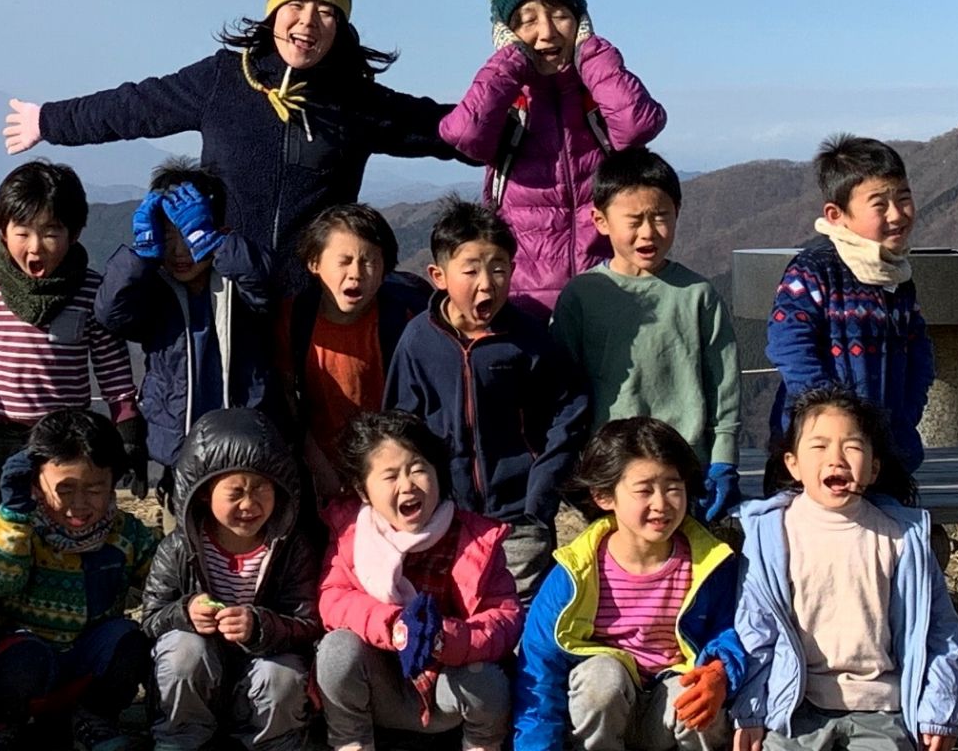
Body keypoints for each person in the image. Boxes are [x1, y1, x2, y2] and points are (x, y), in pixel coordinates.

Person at [2, 0, 462, 265]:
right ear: (274, 13)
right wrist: (50, 120)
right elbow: (137, 105)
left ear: (340, 29)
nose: (308, 22)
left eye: (326, 13)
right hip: (228, 285)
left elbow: (443, 128)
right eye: (296, 5)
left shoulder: (354, 100)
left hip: (316, 302)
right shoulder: (225, 79)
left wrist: (514, 127)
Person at [733, 387, 958, 751]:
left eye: (853, 446)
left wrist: (941, 710)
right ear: (792, 464)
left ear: (874, 468)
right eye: (819, 445)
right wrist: (751, 712)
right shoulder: (771, 537)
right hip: (797, 706)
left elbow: (939, 631)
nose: (837, 458)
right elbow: (756, 632)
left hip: (882, 708)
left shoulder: (900, 538)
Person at [383, 199, 590, 598]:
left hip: (519, 518)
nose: (487, 283)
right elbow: (400, 427)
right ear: (438, 275)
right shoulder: (418, 341)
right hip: (444, 517)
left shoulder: (528, 340)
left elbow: (569, 411)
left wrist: (539, 495)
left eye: (499, 269)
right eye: (472, 269)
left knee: (518, 615)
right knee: (457, 615)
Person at [438, 0, 666, 319]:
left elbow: (637, 126)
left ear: (580, 22)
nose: (546, 32)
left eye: (560, 16)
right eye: (527, 21)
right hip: (525, 304)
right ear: (507, 35)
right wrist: (511, 61)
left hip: (608, 293)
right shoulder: (510, 101)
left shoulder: (596, 91)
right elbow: (466, 134)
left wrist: (590, 51)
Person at [514, 418, 746, 751]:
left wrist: (720, 674)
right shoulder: (576, 572)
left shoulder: (709, 564)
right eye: (644, 490)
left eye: (672, 487)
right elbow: (539, 673)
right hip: (603, 717)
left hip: (668, 709)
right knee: (600, 679)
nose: (661, 503)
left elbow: (732, 630)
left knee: (694, 692)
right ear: (604, 496)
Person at [0, 160, 142, 534]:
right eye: (22, 232)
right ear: (2, 231)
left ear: (75, 232)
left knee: (63, 535)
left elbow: (112, 368)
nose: (35, 247)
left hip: (66, 445)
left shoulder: (90, 289)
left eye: (51, 232)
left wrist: (128, 437)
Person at [552, 149, 742, 523]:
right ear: (600, 220)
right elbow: (562, 393)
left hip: (685, 471)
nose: (648, 232)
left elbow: (725, 387)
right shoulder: (582, 295)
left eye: (660, 217)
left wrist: (723, 459)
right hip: (610, 475)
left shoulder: (697, 295)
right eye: (634, 220)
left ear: (678, 212)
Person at [314, 410, 522, 751]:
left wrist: (445, 637)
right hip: (381, 688)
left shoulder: (475, 539)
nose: (408, 485)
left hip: (448, 691)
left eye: (418, 469)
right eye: (390, 476)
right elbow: (332, 598)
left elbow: (505, 617)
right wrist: (394, 626)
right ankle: (352, 742)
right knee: (337, 650)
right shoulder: (352, 534)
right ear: (362, 491)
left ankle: (482, 744)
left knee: (487, 680)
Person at [95, 159, 284, 510]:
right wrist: (140, 259)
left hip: (244, 447)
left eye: (188, 234)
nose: (179, 251)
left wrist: (215, 245)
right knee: (183, 550)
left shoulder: (237, 282)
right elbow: (111, 314)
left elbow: (267, 285)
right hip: (178, 454)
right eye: (167, 238)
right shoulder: (154, 288)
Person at [0, 408, 160, 751]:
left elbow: (164, 578)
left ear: (112, 483)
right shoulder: (21, 525)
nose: (79, 504)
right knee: (20, 662)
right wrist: (13, 515)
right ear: (36, 484)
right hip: (27, 661)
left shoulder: (126, 533)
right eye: (65, 489)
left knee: (131, 641)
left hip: (86, 665)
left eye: (93, 489)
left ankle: (93, 719)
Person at [142, 408, 322, 751]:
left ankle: (273, 743)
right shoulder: (180, 546)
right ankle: (179, 740)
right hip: (200, 676)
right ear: (205, 492)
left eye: (260, 490)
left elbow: (309, 622)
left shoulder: (291, 547)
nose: (249, 504)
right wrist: (185, 611)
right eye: (235, 492)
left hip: (261, 671)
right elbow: (150, 618)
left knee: (281, 675)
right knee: (182, 650)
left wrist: (260, 625)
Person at [764, 136, 932, 487]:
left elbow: (920, 353)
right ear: (836, 215)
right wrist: (835, 418)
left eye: (904, 198)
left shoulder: (896, 275)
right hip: (817, 457)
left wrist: (906, 414)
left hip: (886, 452)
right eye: (879, 205)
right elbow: (790, 347)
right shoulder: (813, 270)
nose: (897, 214)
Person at [277, 203, 430, 510]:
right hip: (320, 471)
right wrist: (317, 464)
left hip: (392, 474)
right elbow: (287, 397)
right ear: (314, 263)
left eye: (369, 261)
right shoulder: (294, 319)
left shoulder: (405, 320)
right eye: (344, 261)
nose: (356, 273)